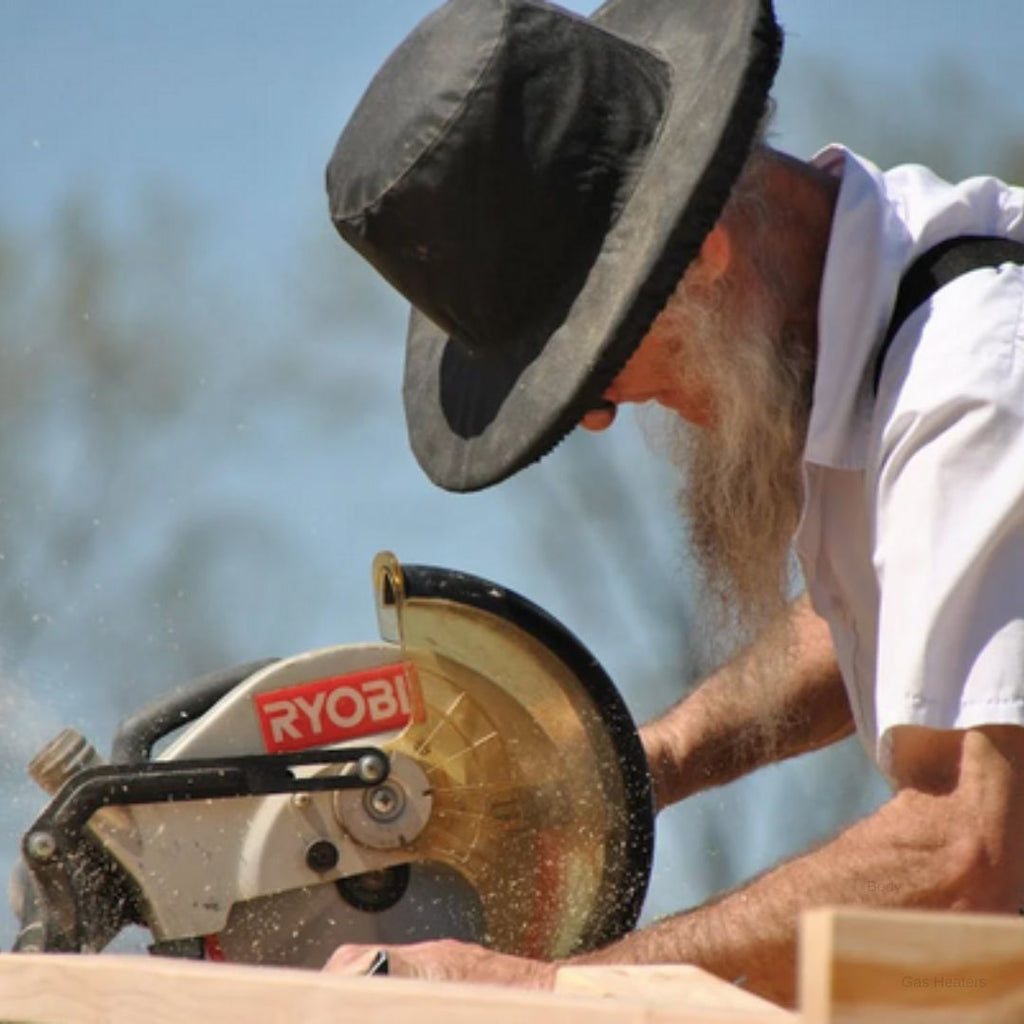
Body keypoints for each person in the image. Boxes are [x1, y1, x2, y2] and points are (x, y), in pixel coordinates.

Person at [320, 0, 1024, 1005]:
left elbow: (965, 850)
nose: (601, 416)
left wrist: (555, 990)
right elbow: (913, 614)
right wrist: (640, 765)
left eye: (594, 365)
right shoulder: (892, 335)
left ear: (700, 256)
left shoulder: (976, 381)